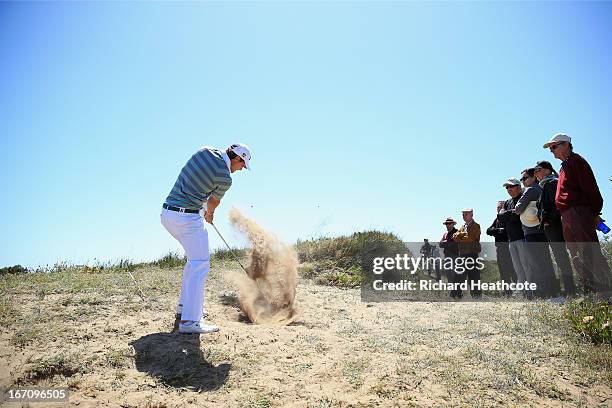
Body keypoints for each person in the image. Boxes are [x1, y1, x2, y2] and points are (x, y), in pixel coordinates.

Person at [161, 143, 252, 334]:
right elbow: (213, 202)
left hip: (167, 214)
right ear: (237, 158)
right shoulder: (225, 178)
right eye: (242, 165)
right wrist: (209, 213)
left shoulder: (204, 151)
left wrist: (201, 207)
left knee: (193, 262)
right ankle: (190, 321)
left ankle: (183, 309)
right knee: (200, 264)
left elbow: (194, 181)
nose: (241, 169)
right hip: (187, 219)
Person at [544, 133, 612, 297]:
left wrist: (593, 213)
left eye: (554, 146)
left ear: (566, 145)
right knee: (576, 255)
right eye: (550, 148)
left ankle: (607, 292)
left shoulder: (576, 161)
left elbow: (591, 189)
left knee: (589, 251)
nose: (552, 151)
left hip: (578, 212)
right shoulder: (564, 166)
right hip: (567, 215)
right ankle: (591, 292)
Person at [514, 168, 560, 298]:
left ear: (533, 177)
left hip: (531, 232)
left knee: (537, 263)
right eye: (521, 179)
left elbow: (518, 209)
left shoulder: (530, 190)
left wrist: (519, 204)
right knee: (546, 261)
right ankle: (553, 291)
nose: (523, 181)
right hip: (541, 230)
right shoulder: (541, 188)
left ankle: (544, 292)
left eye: (525, 178)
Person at [534, 160, 576, 297]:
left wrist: (548, 221)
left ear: (547, 170)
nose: (535, 173)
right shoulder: (544, 185)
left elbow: (557, 205)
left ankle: (571, 291)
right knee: (562, 259)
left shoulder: (552, 183)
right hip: (553, 227)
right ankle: (570, 290)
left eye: (538, 169)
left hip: (556, 226)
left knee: (563, 258)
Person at [497, 178, 530, 296]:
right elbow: (500, 218)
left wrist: (506, 214)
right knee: (518, 268)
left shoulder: (523, 198)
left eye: (511, 186)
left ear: (518, 186)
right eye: (507, 187)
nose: (509, 189)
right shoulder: (507, 202)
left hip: (522, 237)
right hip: (511, 240)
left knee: (526, 266)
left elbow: (518, 216)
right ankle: (522, 291)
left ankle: (530, 291)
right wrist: (510, 213)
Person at [486, 200, 517, 296]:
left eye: (501, 207)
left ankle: (518, 291)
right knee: (503, 271)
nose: (499, 209)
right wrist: (498, 230)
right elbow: (488, 231)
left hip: (509, 248)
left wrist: (496, 231)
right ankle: (507, 292)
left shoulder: (507, 219)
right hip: (499, 249)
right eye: (497, 208)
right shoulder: (496, 220)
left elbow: (505, 232)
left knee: (513, 270)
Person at [452, 209, 482, 298]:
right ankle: (456, 295)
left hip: (472, 254)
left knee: (473, 276)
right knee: (459, 274)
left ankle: (476, 296)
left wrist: (460, 236)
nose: (464, 216)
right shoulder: (462, 226)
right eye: (463, 214)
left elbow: (470, 238)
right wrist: (462, 235)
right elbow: (454, 237)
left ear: (471, 215)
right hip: (463, 253)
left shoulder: (476, 226)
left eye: (466, 214)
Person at [439, 217, 459, 283]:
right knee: (448, 273)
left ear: (453, 224)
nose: (448, 225)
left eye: (450, 223)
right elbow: (440, 244)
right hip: (447, 256)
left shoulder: (457, 232)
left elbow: (453, 243)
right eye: (447, 223)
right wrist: (448, 242)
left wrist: (446, 242)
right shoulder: (445, 234)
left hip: (455, 255)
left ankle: (457, 291)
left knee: (454, 273)